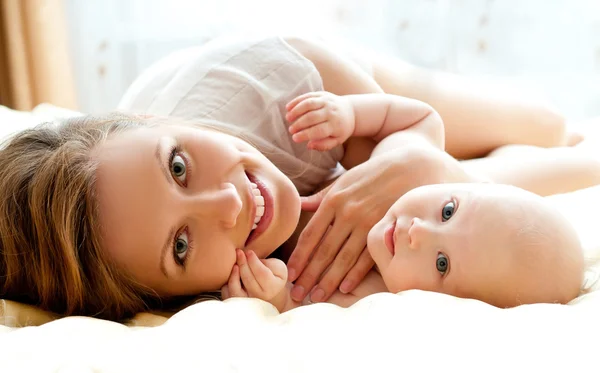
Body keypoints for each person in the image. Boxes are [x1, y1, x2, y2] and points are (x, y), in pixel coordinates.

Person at [0, 35, 596, 321]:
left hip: (323, 100)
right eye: (181, 245)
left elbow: (439, 172)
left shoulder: (270, 88)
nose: (229, 205)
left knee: (537, 126)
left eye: (179, 166)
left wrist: (407, 159)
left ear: (155, 125)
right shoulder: (203, 289)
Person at [221, 182, 585, 312]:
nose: (417, 232)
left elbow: (301, 305)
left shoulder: (372, 299)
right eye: (447, 211)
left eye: (442, 264)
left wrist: (275, 298)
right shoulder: (409, 181)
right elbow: (414, 116)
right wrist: (350, 114)